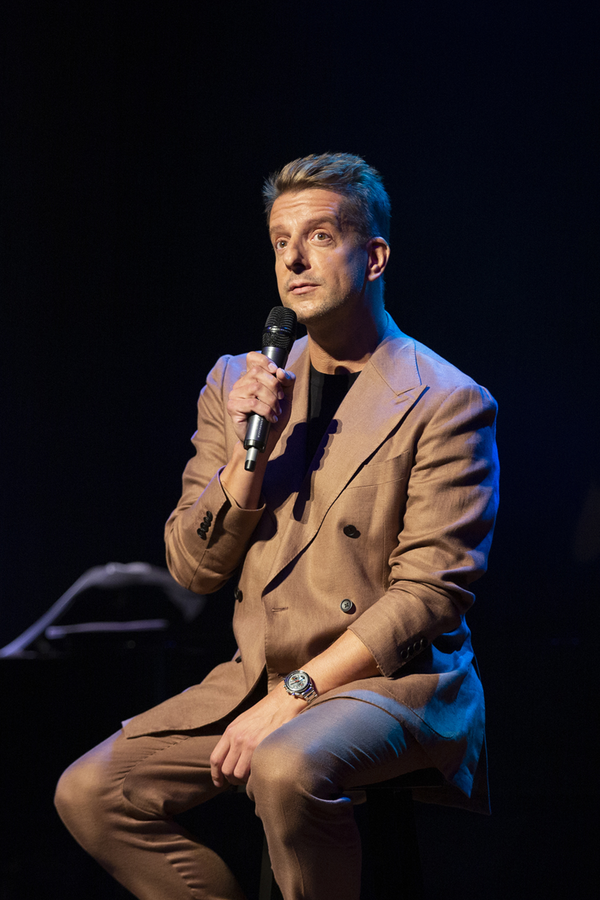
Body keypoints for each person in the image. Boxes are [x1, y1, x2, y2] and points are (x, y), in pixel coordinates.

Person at [55, 153, 499, 900]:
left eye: (319, 237)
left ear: (374, 256)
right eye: (280, 241)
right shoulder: (237, 381)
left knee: (285, 764)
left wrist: (293, 694)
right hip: (254, 678)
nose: (293, 260)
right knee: (92, 792)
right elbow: (193, 569)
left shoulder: (445, 400)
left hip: (391, 684)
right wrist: (247, 456)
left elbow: (430, 594)